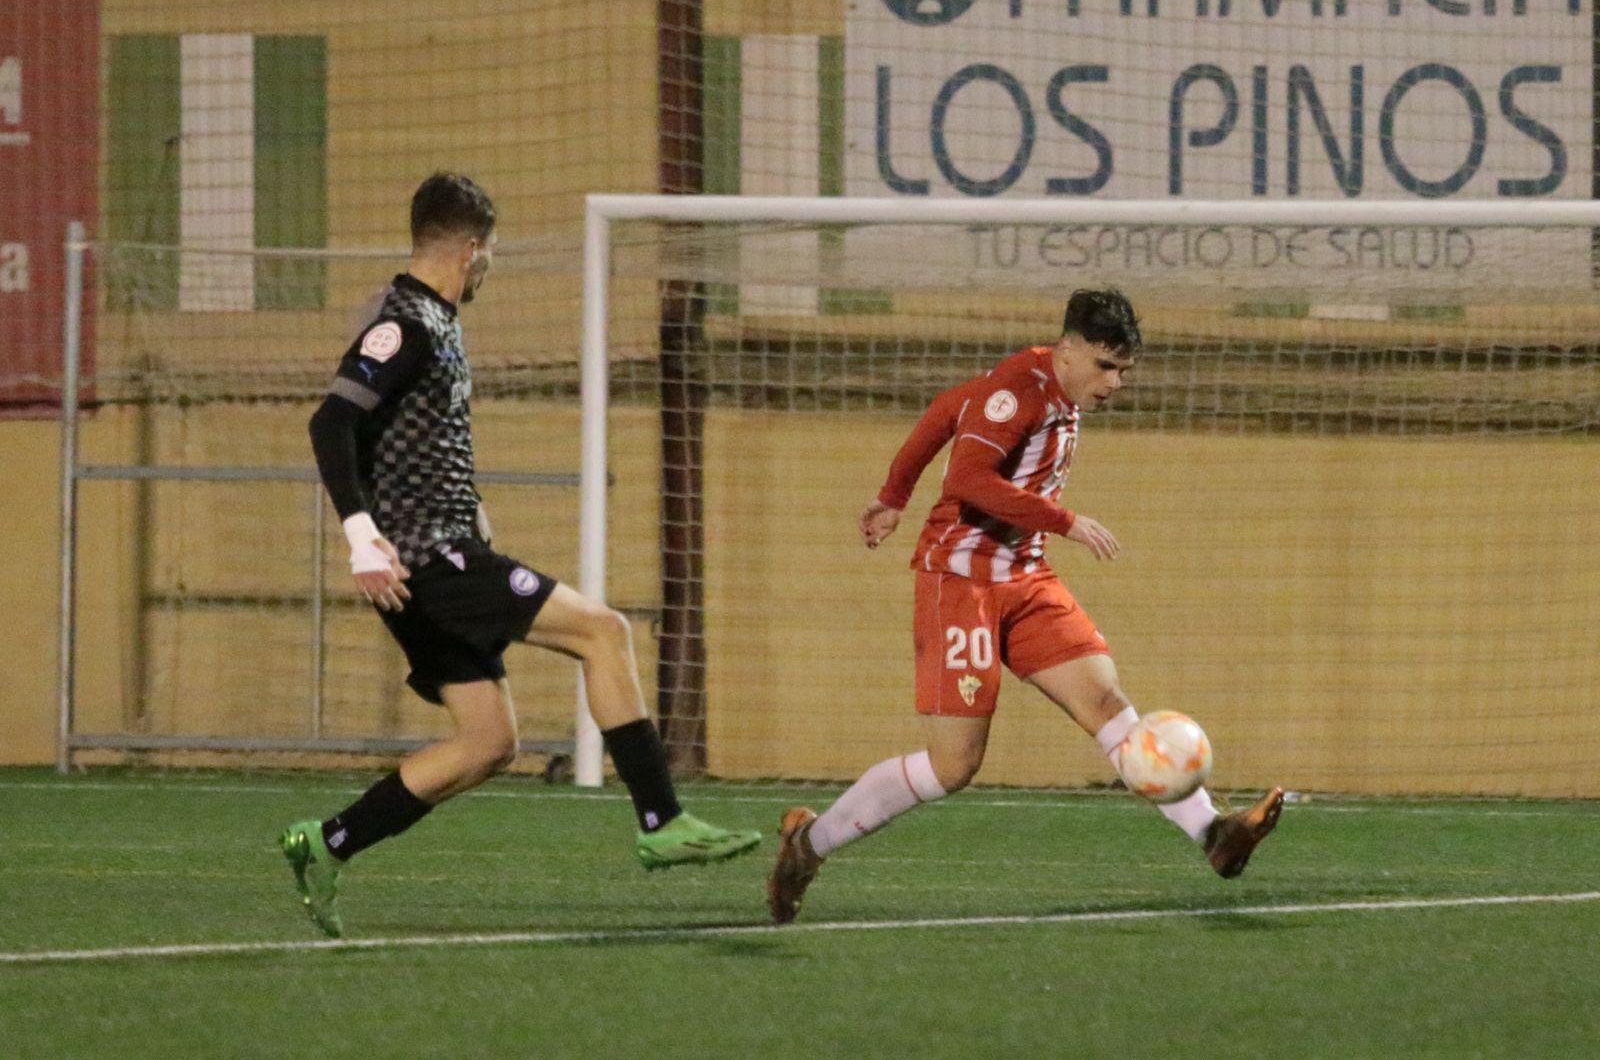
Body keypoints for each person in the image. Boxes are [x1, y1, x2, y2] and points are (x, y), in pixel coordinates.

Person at [281, 172, 760, 939]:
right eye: (492, 252)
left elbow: (399, 438)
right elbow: (330, 423)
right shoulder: (404, 324)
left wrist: (464, 505)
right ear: (471, 250)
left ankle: (328, 842)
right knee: (604, 632)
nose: (491, 265)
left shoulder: (433, 319)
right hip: (429, 561)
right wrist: (363, 535)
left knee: (488, 743)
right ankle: (661, 818)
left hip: (439, 551)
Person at [766, 288, 1282, 924]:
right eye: (1106, 365)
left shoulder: (1051, 385)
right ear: (1068, 351)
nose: (1115, 383)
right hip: (961, 582)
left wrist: (894, 493)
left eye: (1124, 370)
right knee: (953, 765)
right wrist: (1062, 520)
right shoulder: (1022, 389)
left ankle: (1215, 835)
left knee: (1104, 701)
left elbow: (948, 407)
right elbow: (969, 481)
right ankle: (807, 846)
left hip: (1025, 576)